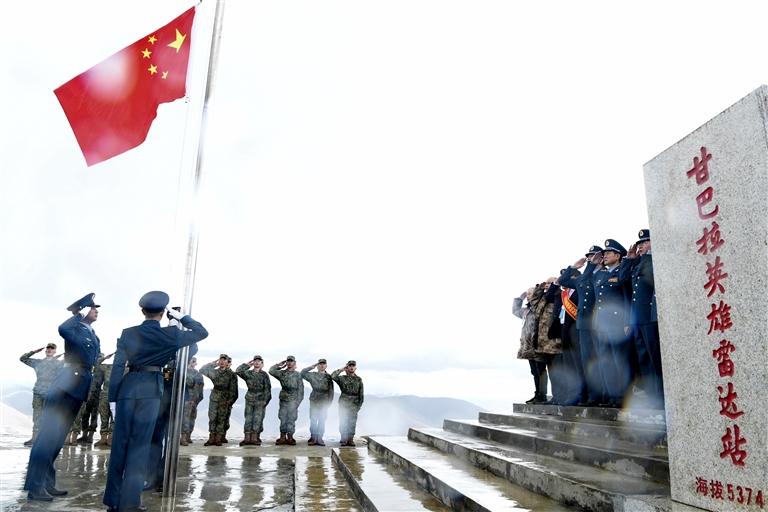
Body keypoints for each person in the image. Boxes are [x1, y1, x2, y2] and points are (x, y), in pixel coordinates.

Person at [103, 291, 208, 512]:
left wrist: (112, 399)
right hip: (151, 391)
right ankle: (130, 502)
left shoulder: (128, 333)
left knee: (119, 446)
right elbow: (201, 332)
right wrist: (181, 318)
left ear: (142, 311)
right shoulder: (170, 334)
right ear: (163, 312)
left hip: (127, 389)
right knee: (139, 447)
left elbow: (118, 367)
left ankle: (113, 500)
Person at [24, 293, 101, 502]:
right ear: (84, 311)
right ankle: (35, 487)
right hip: (65, 387)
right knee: (47, 439)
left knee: (57, 441)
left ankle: (47, 483)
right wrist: (78, 314)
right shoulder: (74, 329)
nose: (96, 311)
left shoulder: (92, 333)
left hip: (78, 387)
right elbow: (62, 329)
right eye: (92, 308)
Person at [143, 309, 198, 492]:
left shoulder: (185, 342)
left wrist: (182, 326)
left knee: (171, 439)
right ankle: (152, 477)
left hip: (177, 396)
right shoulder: (161, 337)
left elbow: (194, 345)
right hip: (158, 394)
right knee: (155, 438)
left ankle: (164, 476)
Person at [619, 229, 664, 406]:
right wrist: (629, 259)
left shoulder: (655, 259)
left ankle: (661, 395)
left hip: (650, 316)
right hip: (637, 318)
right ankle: (652, 395)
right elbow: (623, 279)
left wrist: (646, 255)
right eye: (640, 243)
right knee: (644, 358)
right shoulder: (637, 263)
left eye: (645, 242)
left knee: (654, 357)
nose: (641, 246)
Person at [559, 245, 606, 406]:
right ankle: (592, 395)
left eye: (593, 256)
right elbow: (562, 281)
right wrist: (573, 267)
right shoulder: (584, 277)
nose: (590, 259)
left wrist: (591, 266)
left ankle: (605, 395)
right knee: (587, 361)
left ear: (600, 258)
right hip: (583, 324)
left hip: (598, 323)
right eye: (589, 257)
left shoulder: (603, 274)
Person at [590, 239, 632, 407]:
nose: (605, 255)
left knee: (618, 360)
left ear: (618, 255)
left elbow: (627, 297)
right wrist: (592, 265)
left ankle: (624, 397)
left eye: (608, 253)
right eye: (604, 253)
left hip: (616, 323)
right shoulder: (600, 274)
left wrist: (627, 321)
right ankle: (612, 397)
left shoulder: (623, 271)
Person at [19, 343, 63, 446]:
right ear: (45, 350)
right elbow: (22, 358)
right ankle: (34, 438)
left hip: (51, 393)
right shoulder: (38, 362)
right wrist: (34, 351)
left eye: (52, 348)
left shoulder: (58, 364)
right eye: (48, 348)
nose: (49, 350)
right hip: (38, 393)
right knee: (37, 416)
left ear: (55, 351)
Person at [513, 288, 548, 403]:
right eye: (527, 294)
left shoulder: (539, 307)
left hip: (538, 345)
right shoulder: (526, 310)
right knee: (534, 372)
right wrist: (519, 299)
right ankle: (537, 394)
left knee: (540, 371)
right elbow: (515, 311)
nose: (528, 296)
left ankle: (542, 395)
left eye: (530, 293)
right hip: (528, 346)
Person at [200, 354, 238, 447]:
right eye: (220, 360)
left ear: (227, 362)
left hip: (225, 399)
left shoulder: (231, 375)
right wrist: (213, 364)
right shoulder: (215, 372)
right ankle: (211, 438)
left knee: (221, 419)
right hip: (214, 397)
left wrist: (230, 401)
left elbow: (233, 390)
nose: (222, 362)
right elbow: (202, 370)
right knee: (212, 418)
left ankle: (218, 438)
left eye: (224, 360)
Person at [235, 355, 272, 446]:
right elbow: (238, 371)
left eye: (259, 361)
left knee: (257, 419)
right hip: (250, 398)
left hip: (260, 399)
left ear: (262, 363)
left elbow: (267, 389)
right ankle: (247, 438)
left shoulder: (264, 375)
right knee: (248, 418)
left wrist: (265, 401)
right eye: (255, 361)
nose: (257, 362)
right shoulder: (248, 373)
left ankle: (254, 438)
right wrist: (247, 365)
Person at [269, 356, 305, 446]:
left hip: (293, 399)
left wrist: (298, 402)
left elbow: (301, 389)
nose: (289, 363)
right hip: (284, 399)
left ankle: (290, 437)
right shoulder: (282, 373)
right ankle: (282, 437)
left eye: (291, 361)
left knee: (291, 418)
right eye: (288, 361)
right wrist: (279, 365)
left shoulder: (298, 375)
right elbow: (271, 371)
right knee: (283, 418)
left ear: (294, 363)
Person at [301, 358, 334, 446]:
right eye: (320, 364)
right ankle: (313, 437)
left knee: (322, 419)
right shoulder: (313, 375)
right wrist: (312, 366)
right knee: (313, 419)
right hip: (314, 400)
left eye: (323, 364)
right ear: (317, 365)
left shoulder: (328, 377)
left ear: (326, 366)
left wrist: (329, 403)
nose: (322, 365)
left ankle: (320, 438)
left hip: (324, 400)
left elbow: (331, 391)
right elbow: (302, 373)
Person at [332, 360, 364, 447]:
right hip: (344, 403)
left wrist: (359, 406)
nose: (351, 367)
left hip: (354, 404)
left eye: (353, 366)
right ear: (347, 367)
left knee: (352, 422)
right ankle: (344, 438)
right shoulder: (342, 378)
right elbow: (333, 376)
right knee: (343, 421)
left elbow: (361, 394)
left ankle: (350, 439)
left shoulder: (358, 379)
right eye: (350, 366)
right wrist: (342, 369)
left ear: (355, 368)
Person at [94, 352, 116, 448]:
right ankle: (103, 438)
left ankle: (111, 437)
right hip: (105, 394)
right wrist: (104, 358)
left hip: (116, 395)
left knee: (114, 417)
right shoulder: (107, 367)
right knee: (104, 416)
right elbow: (96, 364)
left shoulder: (126, 369)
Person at [181, 356, 204, 446]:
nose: (192, 362)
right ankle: (183, 437)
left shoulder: (197, 374)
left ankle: (188, 436)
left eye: (194, 361)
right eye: (191, 360)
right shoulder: (181, 371)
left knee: (191, 417)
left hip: (192, 398)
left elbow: (199, 388)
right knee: (185, 417)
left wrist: (196, 400)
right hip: (182, 397)